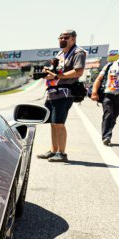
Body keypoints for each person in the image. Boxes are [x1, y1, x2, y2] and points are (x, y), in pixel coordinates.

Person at [37, 30, 86, 163]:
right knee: (53, 124)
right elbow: (55, 73)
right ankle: (54, 150)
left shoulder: (78, 52)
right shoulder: (60, 54)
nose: (62, 40)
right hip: (53, 92)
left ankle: (62, 153)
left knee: (59, 123)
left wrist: (58, 76)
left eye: (66, 37)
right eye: (60, 37)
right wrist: (46, 72)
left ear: (73, 39)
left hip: (65, 93)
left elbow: (78, 71)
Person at [90, 59, 119, 146]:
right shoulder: (110, 66)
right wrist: (94, 92)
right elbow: (99, 79)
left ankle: (107, 132)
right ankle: (106, 136)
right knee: (108, 114)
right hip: (108, 95)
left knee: (113, 117)